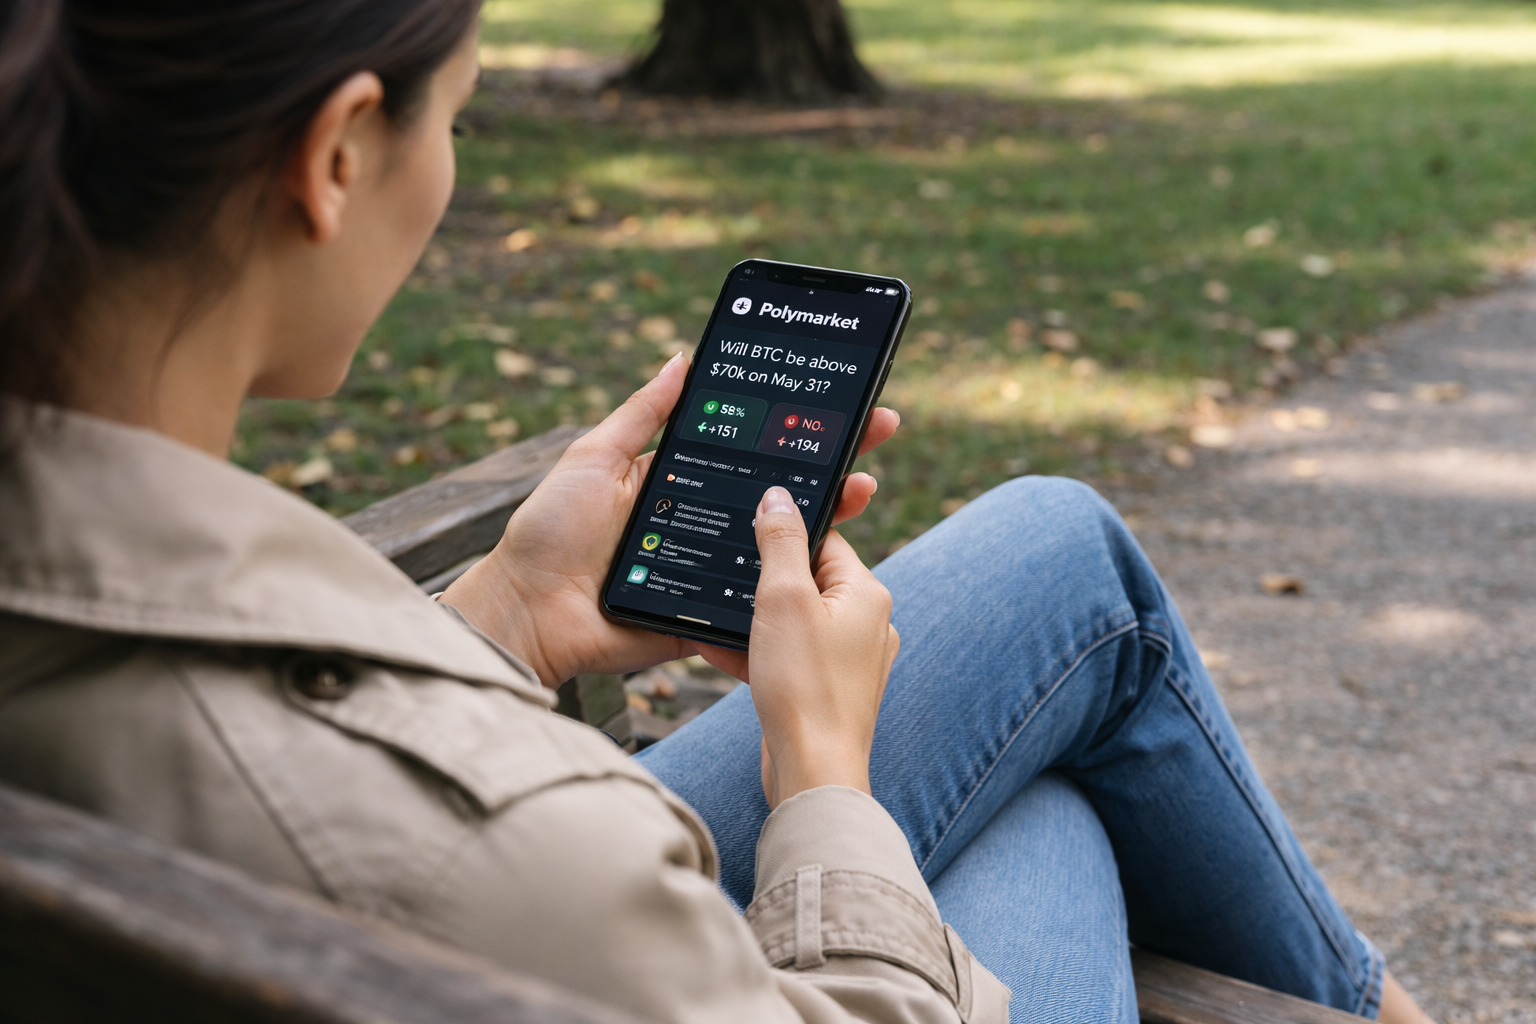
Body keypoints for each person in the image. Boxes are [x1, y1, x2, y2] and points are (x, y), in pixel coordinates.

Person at [0, 2, 1434, 1022]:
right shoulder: (515, 854)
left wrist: (502, 618)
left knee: (1060, 566)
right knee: (1052, 783)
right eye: (460, 115)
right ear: (335, 156)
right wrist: (822, 769)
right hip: (451, 920)